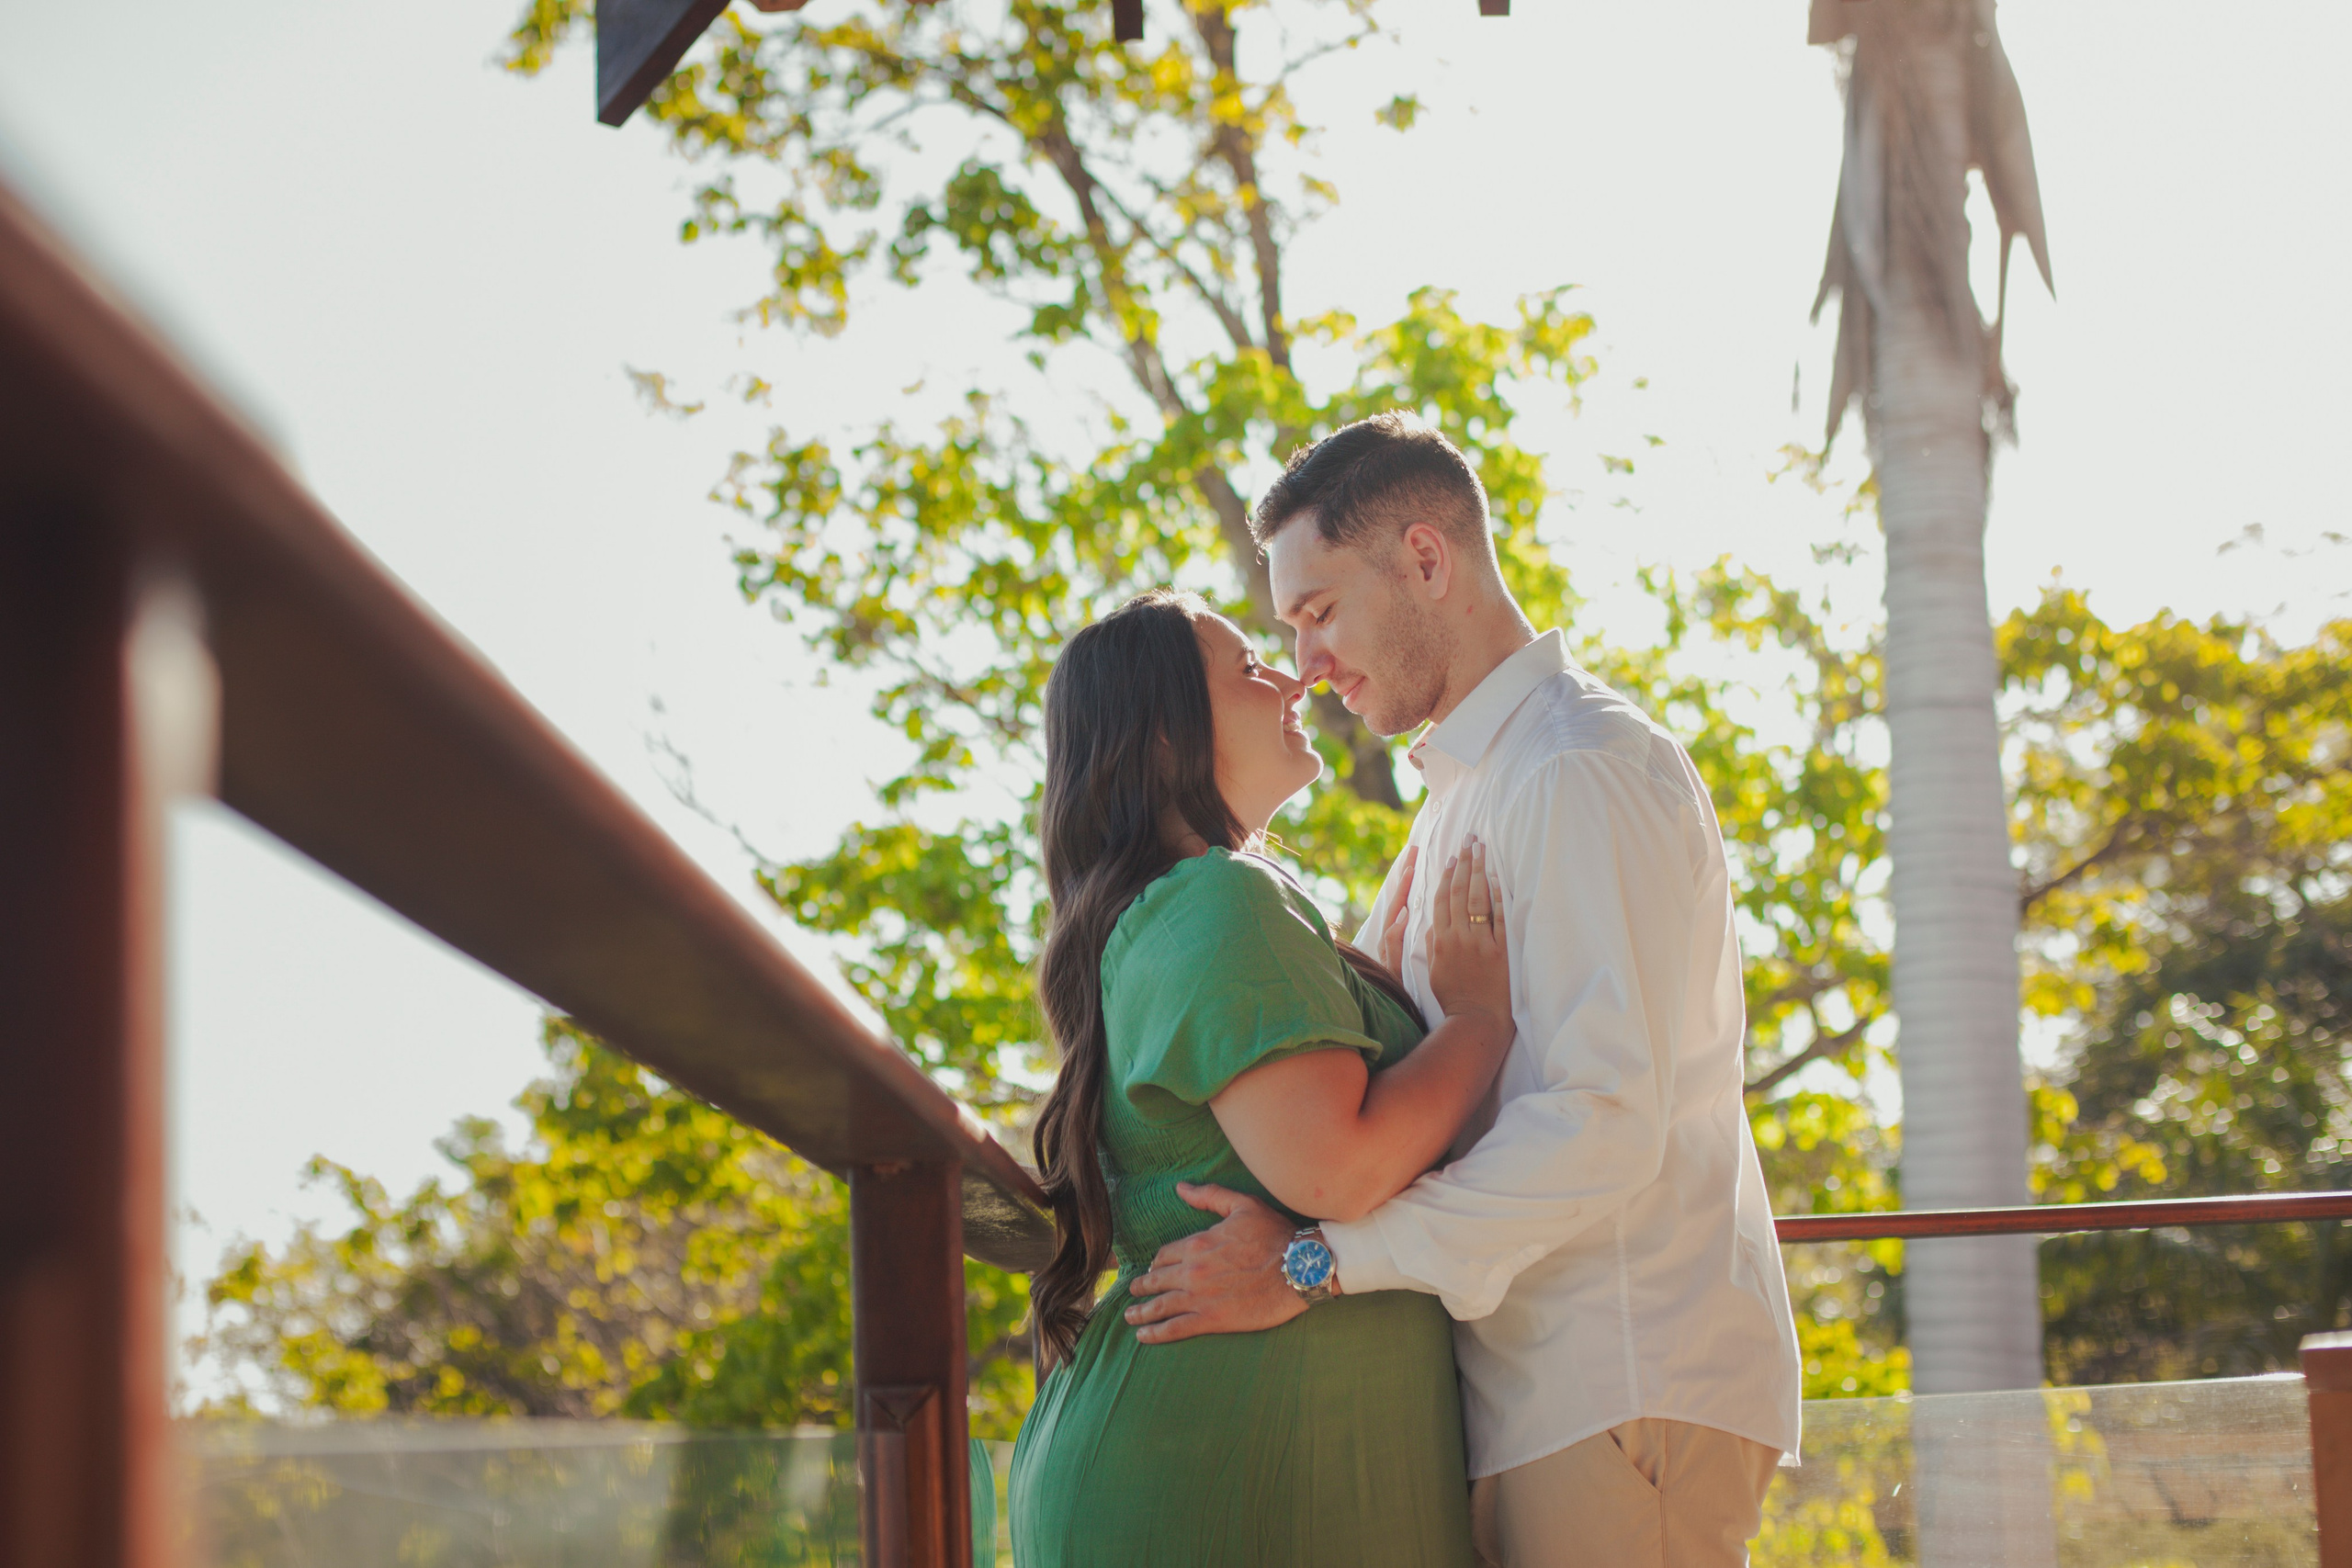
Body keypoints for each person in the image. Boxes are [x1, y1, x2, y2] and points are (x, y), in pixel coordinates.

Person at [1121, 415, 1804, 1568]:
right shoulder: (1463, 799)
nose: (1308, 665)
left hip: (1618, 1382)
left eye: (1320, 613)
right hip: (1533, 1395)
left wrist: (1314, 1263)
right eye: (1287, 631)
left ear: (1428, 561)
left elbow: (1603, 1121)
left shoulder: (1574, 768)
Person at [1008, 587, 1518, 1568]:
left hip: (1220, 1468)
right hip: (1209, 1481)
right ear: (1165, 737)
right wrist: (1480, 1022)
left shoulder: (1194, 908)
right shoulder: (1220, 899)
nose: (1292, 675)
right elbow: (1337, 1171)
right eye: (1248, 668)